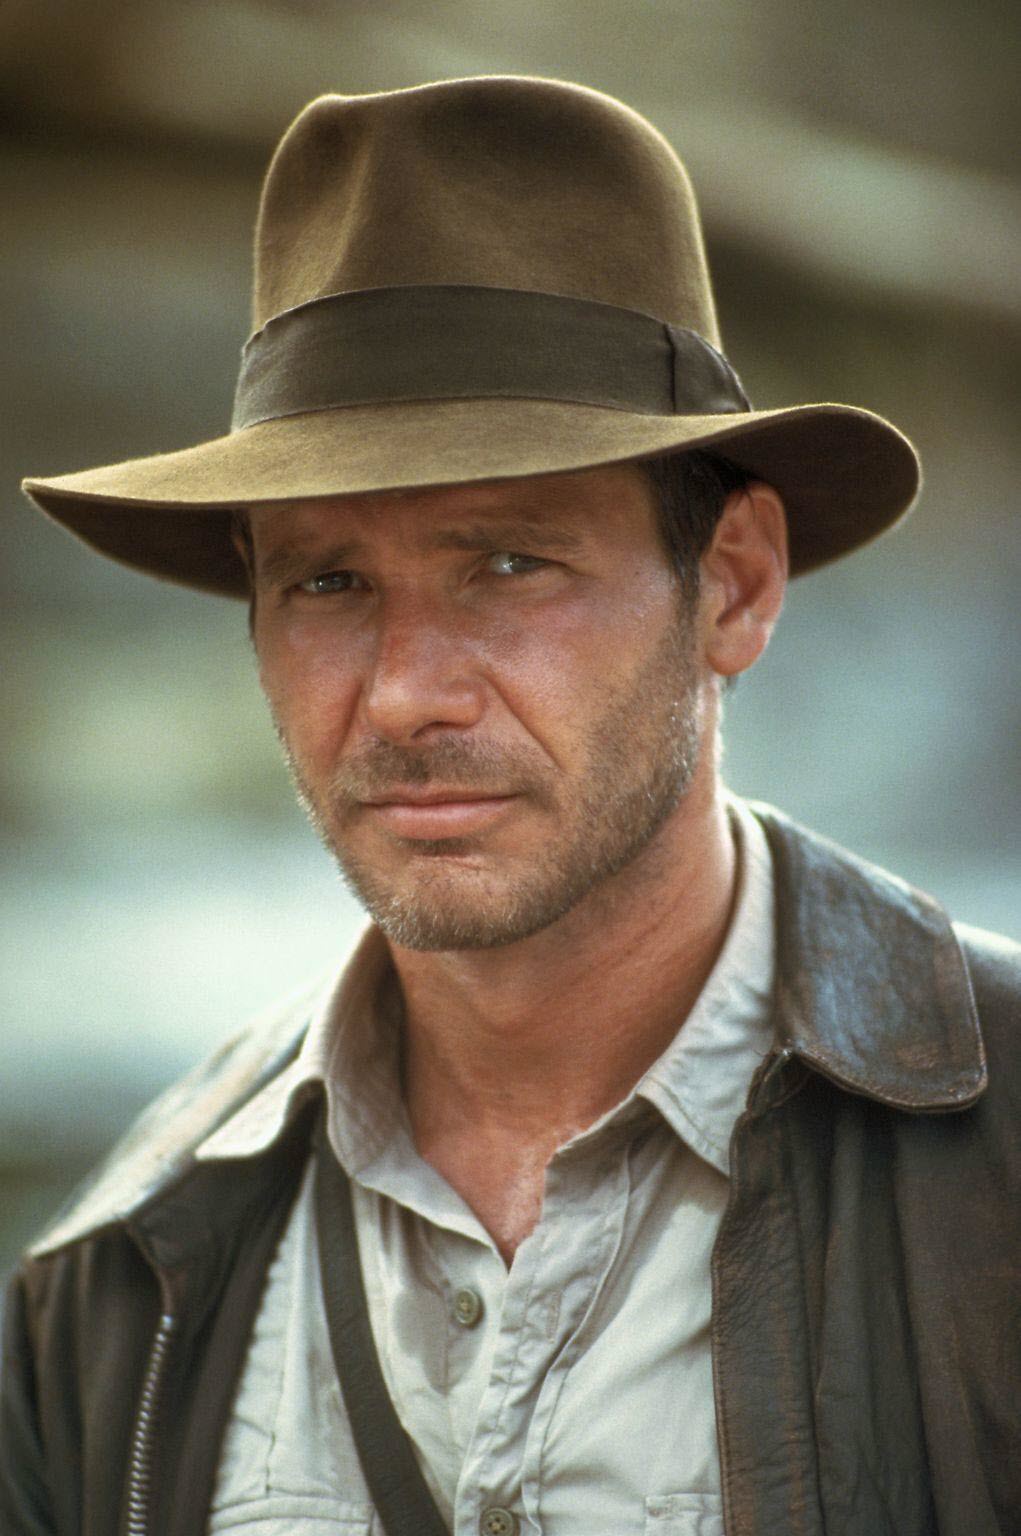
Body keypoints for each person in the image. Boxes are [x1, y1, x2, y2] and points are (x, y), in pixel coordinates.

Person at [2, 76, 1017, 1536]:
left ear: (732, 587)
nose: (405, 692)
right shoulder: (123, 1274)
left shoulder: (1000, 1167)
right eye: (327, 582)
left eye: (507, 564)